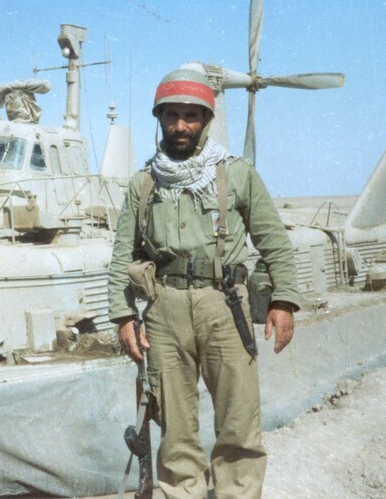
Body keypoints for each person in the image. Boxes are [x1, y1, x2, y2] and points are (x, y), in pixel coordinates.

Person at [107, 66, 301, 499]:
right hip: (164, 311)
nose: (180, 126)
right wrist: (123, 316)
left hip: (224, 305)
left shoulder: (237, 174)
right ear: (159, 119)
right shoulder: (144, 183)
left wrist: (283, 301)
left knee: (239, 421)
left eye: (190, 116)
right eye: (171, 115)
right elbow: (123, 254)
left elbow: (274, 241)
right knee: (174, 425)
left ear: (206, 120)